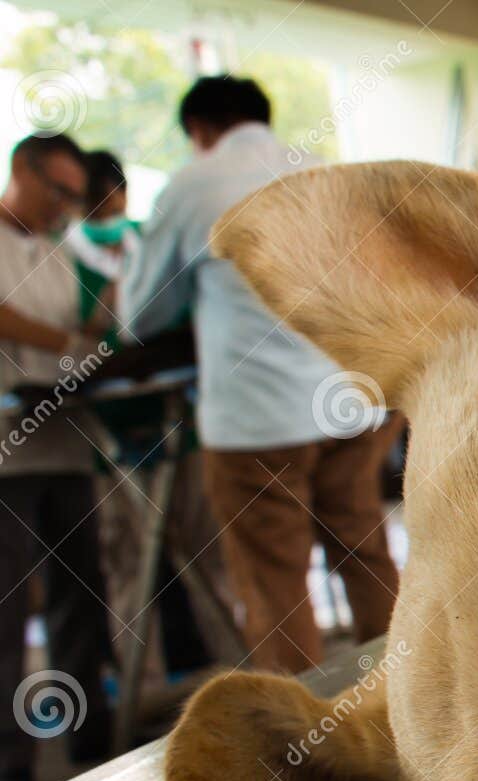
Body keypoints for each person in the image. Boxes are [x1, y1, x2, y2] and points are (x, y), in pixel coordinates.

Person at [121, 76, 401, 673]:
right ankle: (402, 698)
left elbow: (142, 315)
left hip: (258, 419)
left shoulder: (192, 186)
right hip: (353, 399)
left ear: (199, 130)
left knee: (275, 579)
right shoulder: (326, 172)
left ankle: (304, 735)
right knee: (364, 551)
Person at [0, 133, 114, 781]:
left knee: (81, 592)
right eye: (59, 192)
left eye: (77, 196)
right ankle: (11, 764)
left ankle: (89, 734)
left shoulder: (60, 250)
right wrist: (68, 342)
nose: (68, 205)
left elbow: (82, 323)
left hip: (64, 439)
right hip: (7, 453)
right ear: (22, 171)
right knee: (8, 612)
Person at [65, 150, 141, 332]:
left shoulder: (148, 237)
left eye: (114, 212)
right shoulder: (61, 255)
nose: (106, 223)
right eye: (94, 217)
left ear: (125, 194)